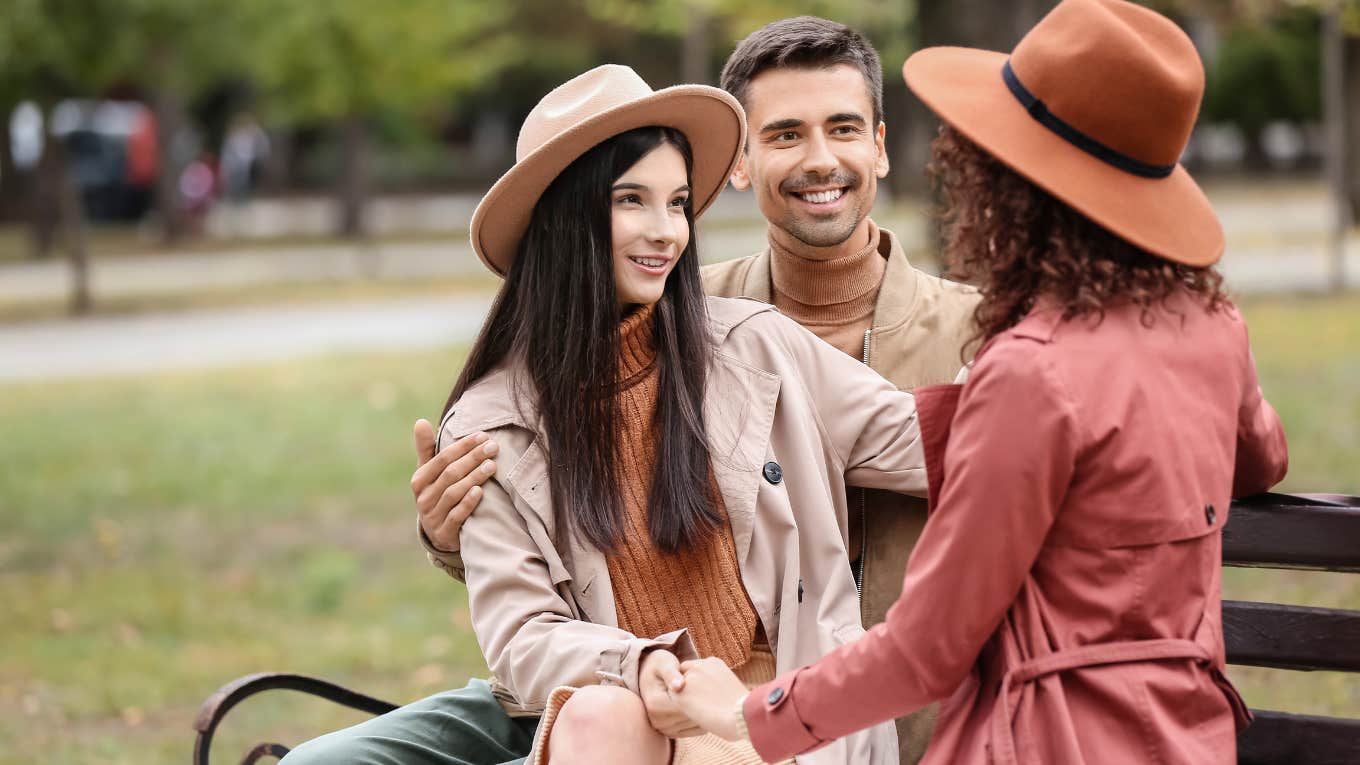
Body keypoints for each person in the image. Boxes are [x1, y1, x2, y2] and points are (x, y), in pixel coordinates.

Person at [667, 2, 1291, 764]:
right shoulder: (1212, 325)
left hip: (1046, 739)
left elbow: (928, 647)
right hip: (1187, 735)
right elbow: (1259, 458)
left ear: (1011, 185)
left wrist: (749, 715)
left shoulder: (1028, 370)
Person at [287, 62, 929, 765]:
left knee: (600, 720)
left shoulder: (755, 349)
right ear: (567, 214)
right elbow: (524, 634)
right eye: (632, 201)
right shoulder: (491, 421)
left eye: (678, 203)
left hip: (773, 731)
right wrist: (641, 665)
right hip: (618, 719)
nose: (666, 232)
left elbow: (934, 441)